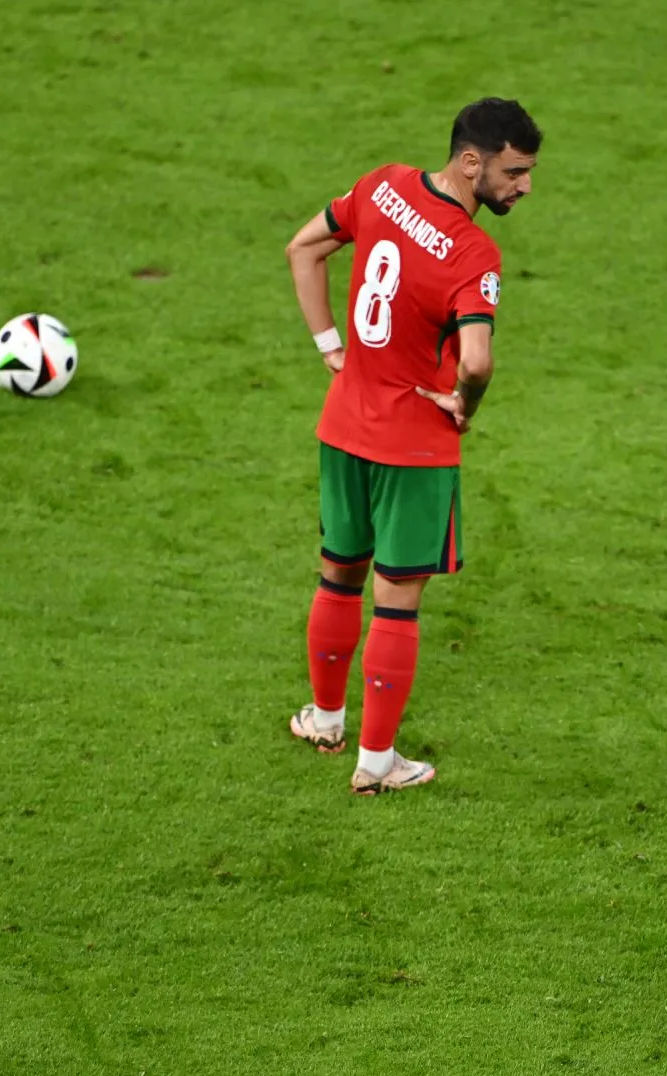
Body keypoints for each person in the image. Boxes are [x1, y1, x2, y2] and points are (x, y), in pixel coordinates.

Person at [280, 98, 541, 795]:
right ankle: (376, 763)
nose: (524, 187)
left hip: (344, 427)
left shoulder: (383, 183)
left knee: (339, 575)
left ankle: (326, 720)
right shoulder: (473, 251)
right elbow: (477, 361)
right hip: (414, 446)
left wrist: (329, 346)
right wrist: (466, 403)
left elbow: (302, 248)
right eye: (514, 173)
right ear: (470, 161)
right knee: (396, 601)